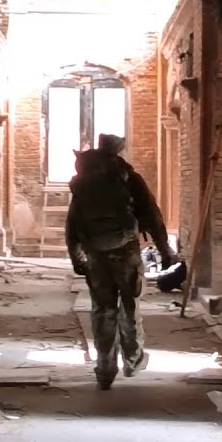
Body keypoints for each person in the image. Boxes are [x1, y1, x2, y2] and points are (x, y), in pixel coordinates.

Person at [65, 134, 177, 390]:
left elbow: (72, 221)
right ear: (118, 152)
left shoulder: (85, 183)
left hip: (95, 252)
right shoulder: (127, 177)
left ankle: (105, 368)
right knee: (129, 304)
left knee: (102, 309)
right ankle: (133, 360)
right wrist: (165, 249)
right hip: (126, 251)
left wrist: (75, 254)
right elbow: (152, 214)